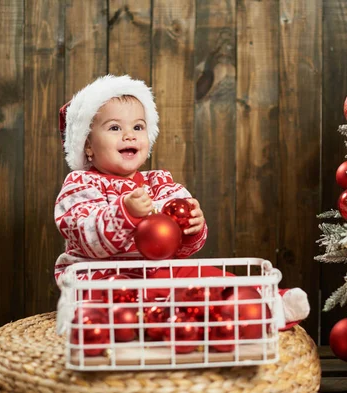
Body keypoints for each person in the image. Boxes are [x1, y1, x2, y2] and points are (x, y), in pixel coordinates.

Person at [54, 74, 309, 327]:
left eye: (138, 127)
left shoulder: (160, 184)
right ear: (88, 145)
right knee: (162, 295)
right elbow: (85, 236)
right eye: (114, 128)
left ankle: (268, 302)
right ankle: (228, 311)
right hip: (102, 281)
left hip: (160, 274)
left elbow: (182, 248)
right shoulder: (81, 184)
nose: (129, 135)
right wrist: (124, 213)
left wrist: (192, 227)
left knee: (205, 276)